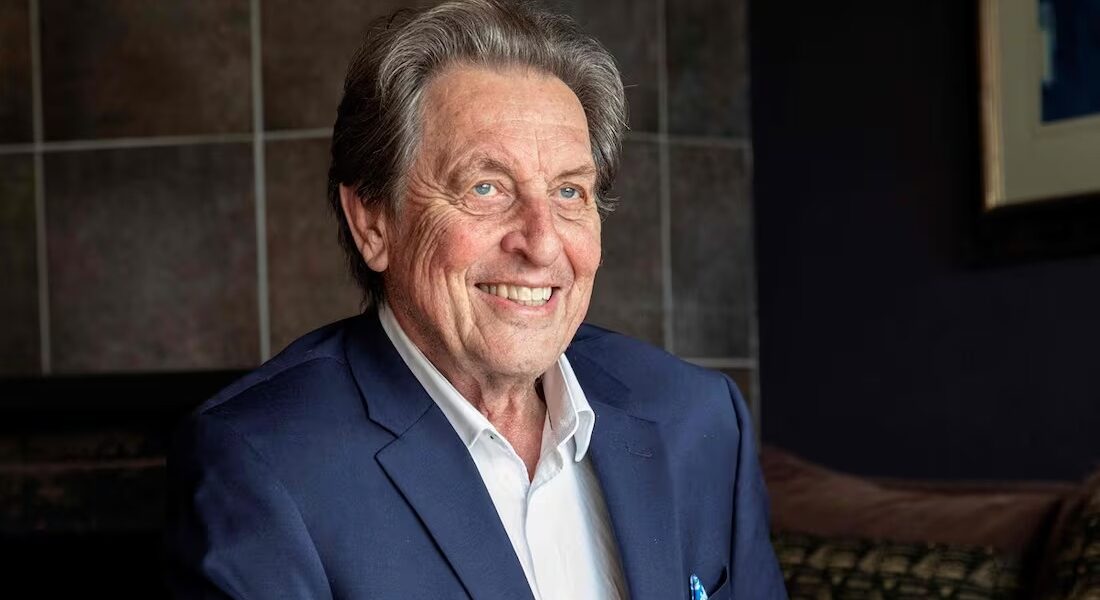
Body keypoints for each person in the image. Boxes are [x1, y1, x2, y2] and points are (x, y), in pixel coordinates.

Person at [164, 0, 786, 598]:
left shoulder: (698, 420)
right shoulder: (264, 466)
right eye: (486, 187)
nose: (541, 242)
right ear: (373, 223)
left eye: (569, 192)